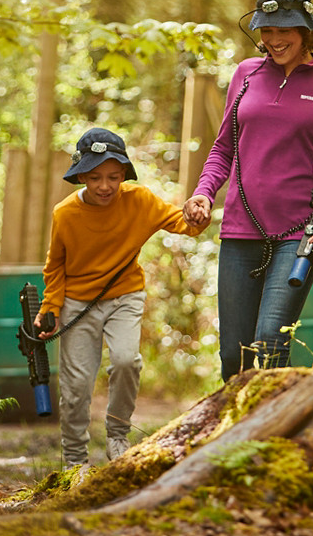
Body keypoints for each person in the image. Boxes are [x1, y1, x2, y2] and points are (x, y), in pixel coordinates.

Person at [183, 0, 313, 380]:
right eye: (267, 29)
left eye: (285, 29)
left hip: (299, 234)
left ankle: (268, 438)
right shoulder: (246, 74)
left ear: (306, 29)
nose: (274, 38)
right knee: (234, 355)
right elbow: (222, 149)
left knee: (269, 342)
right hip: (240, 230)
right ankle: (233, 438)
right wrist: (203, 194)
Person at [36, 127, 204, 468]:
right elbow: (55, 267)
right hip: (77, 304)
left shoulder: (139, 200)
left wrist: (196, 214)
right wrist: (50, 309)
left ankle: (117, 435)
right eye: (96, 177)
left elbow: (182, 223)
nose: (105, 186)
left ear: (124, 174)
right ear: (81, 175)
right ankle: (74, 460)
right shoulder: (65, 214)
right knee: (76, 386)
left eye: (114, 177)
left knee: (127, 360)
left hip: (125, 296)